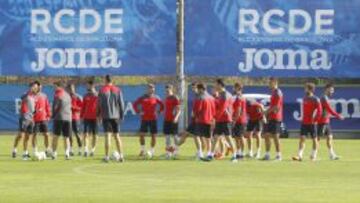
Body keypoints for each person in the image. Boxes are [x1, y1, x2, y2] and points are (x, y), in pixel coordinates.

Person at [207, 79, 237, 162]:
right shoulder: (221, 94)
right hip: (220, 119)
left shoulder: (225, 95)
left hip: (225, 119)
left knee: (228, 138)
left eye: (216, 84)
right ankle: (210, 155)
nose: (215, 86)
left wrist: (214, 119)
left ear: (220, 85)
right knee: (216, 137)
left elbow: (222, 109)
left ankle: (235, 156)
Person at [97, 75, 125, 162]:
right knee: (117, 136)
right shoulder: (118, 90)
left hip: (106, 116)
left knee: (107, 136)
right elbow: (122, 104)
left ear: (105, 80)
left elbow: (99, 104)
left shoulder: (102, 90)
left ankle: (107, 157)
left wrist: (98, 115)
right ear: (112, 81)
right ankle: (121, 156)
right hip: (116, 116)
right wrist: (121, 116)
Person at [292, 83, 322, 162]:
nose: (305, 90)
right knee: (302, 138)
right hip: (304, 123)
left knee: (314, 139)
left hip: (312, 123)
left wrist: (315, 120)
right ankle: (300, 155)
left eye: (306, 88)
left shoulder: (316, 99)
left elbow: (320, 111)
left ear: (311, 89)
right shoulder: (305, 98)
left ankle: (313, 155)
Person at [133, 83, 164, 159]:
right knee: (141, 135)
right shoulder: (143, 97)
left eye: (152, 88)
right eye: (149, 88)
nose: (151, 89)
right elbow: (134, 104)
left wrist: (159, 112)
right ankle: (142, 150)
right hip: (144, 119)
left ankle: (152, 151)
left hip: (153, 119)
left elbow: (162, 106)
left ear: (154, 89)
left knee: (153, 136)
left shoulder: (156, 97)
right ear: (147, 89)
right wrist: (139, 112)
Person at [176, 82, 205, 160]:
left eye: (195, 87)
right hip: (194, 120)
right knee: (185, 134)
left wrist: (195, 114)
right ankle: (175, 149)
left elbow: (201, 109)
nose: (194, 89)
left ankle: (201, 154)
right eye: (192, 88)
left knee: (199, 137)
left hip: (199, 120)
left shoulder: (201, 96)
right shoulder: (196, 96)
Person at [12, 82, 38, 160]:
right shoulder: (26, 94)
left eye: (36, 87)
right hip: (24, 117)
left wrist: (35, 111)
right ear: (31, 87)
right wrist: (28, 92)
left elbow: (33, 108)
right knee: (20, 135)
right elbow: (22, 97)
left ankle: (25, 153)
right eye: (34, 87)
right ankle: (14, 149)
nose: (36, 88)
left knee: (28, 137)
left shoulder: (35, 96)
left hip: (31, 119)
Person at [318, 83, 344, 160]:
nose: (332, 92)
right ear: (327, 89)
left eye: (333, 90)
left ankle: (332, 155)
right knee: (317, 139)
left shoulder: (326, 98)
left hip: (326, 121)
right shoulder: (324, 98)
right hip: (321, 121)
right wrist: (338, 116)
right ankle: (313, 154)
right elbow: (329, 109)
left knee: (329, 137)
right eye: (331, 90)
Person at [192, 83, 216, 161]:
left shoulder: (200, 97)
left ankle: (200, 153)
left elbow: (197, 109)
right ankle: (209, 154)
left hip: (201, 119)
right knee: (208, 138)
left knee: (196, 136)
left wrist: (194, 116)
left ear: (201, 89)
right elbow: (214, 109)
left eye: (198, 89)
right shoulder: (211, 98)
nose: (197, 91)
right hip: (210, 120)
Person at [263, 77, 283, 161]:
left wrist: (266, 112)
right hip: (270, 117)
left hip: (276, 117)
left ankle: (278, 155)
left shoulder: (278, 93)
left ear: (275, 82)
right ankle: (267, 155)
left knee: (275, 137)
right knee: (266, 135)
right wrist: (266, 111)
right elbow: (272, 106)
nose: (269, 84)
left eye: (270, 83)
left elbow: (276, 107)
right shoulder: (273, 93)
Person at [51, 81, 72, 160]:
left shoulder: (57, 94)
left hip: (59, 118)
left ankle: (54, 153)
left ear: (58, 86)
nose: (54, 88)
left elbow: (56, 107)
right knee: (66, 137)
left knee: (56, 136)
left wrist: (53, 115)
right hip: (68, 118)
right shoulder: (68, 95)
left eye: (54, 86)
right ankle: (67, 153)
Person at [32, 82, 52, 156]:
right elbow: (30, 107)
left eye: (41, 87)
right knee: (35, 135)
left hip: (43, 118)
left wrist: (49, 115)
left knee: (46, 134)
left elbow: (47, 106)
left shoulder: (44, 96)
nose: (39, 88)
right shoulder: (32, 96)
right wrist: (35, 112)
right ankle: (35, 151)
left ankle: (47, 150)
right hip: (35, 119)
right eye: (38, 87)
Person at [163, 84, 181, 159]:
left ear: (172, 89)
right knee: (167, 137)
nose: (167, 90)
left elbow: (179, 109)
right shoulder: (166, 98)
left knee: (175, 136)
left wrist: (176, 117)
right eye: (166, 89)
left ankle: (176, 151)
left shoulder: (175, 97)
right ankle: (168, 153)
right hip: (166, 119)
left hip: (173, 120)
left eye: (169, 89)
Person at [81, 80, 99, 157]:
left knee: (95, 135)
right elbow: (83, 107)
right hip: (86, 118)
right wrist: (81, 116)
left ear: (92, 86)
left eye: (88, 85)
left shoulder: (98, 95)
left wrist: (100, 116)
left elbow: (100, 107)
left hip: (95, 118)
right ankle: (85, 150)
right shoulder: (85, 96)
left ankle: (92, 150)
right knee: (85, 134)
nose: (86, 87)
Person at [232, 82, 247, 160]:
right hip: (239, 120)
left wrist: (234, 120)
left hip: (240, 120)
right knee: (237, 137)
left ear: (238, 88)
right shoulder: (239, 97)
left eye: (234, 87)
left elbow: (239, 110)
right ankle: (238, 152)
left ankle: (242, 153)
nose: (233, 89)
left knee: (240, 137)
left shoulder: (239, 97)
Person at [68, 83, 83, 156]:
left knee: (77, 134)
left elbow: (81, 108)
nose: (71, 90)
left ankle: (80, 149)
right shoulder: (67, 97)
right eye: (70, 89)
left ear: (74, 89)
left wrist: (73, 107)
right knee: (69, 134)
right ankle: (71, 149)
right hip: (68, 118)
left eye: (72, 88)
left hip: (76, 118)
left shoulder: (78, 97)